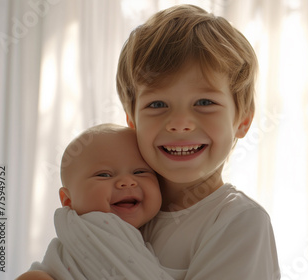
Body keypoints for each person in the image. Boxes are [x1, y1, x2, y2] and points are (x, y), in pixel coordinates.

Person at [117, 4, 280, 279]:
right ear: (132, 121)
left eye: (204, 102)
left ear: (242, 120)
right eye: (157, 104)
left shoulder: (240, 221)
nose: (180, 123)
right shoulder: (121, 209)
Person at [17, 123, 173, 280]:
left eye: (140, 172)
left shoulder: (164, 233)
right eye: (104, 175)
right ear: (68, 200)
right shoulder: (87, 225)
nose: (127, 182)